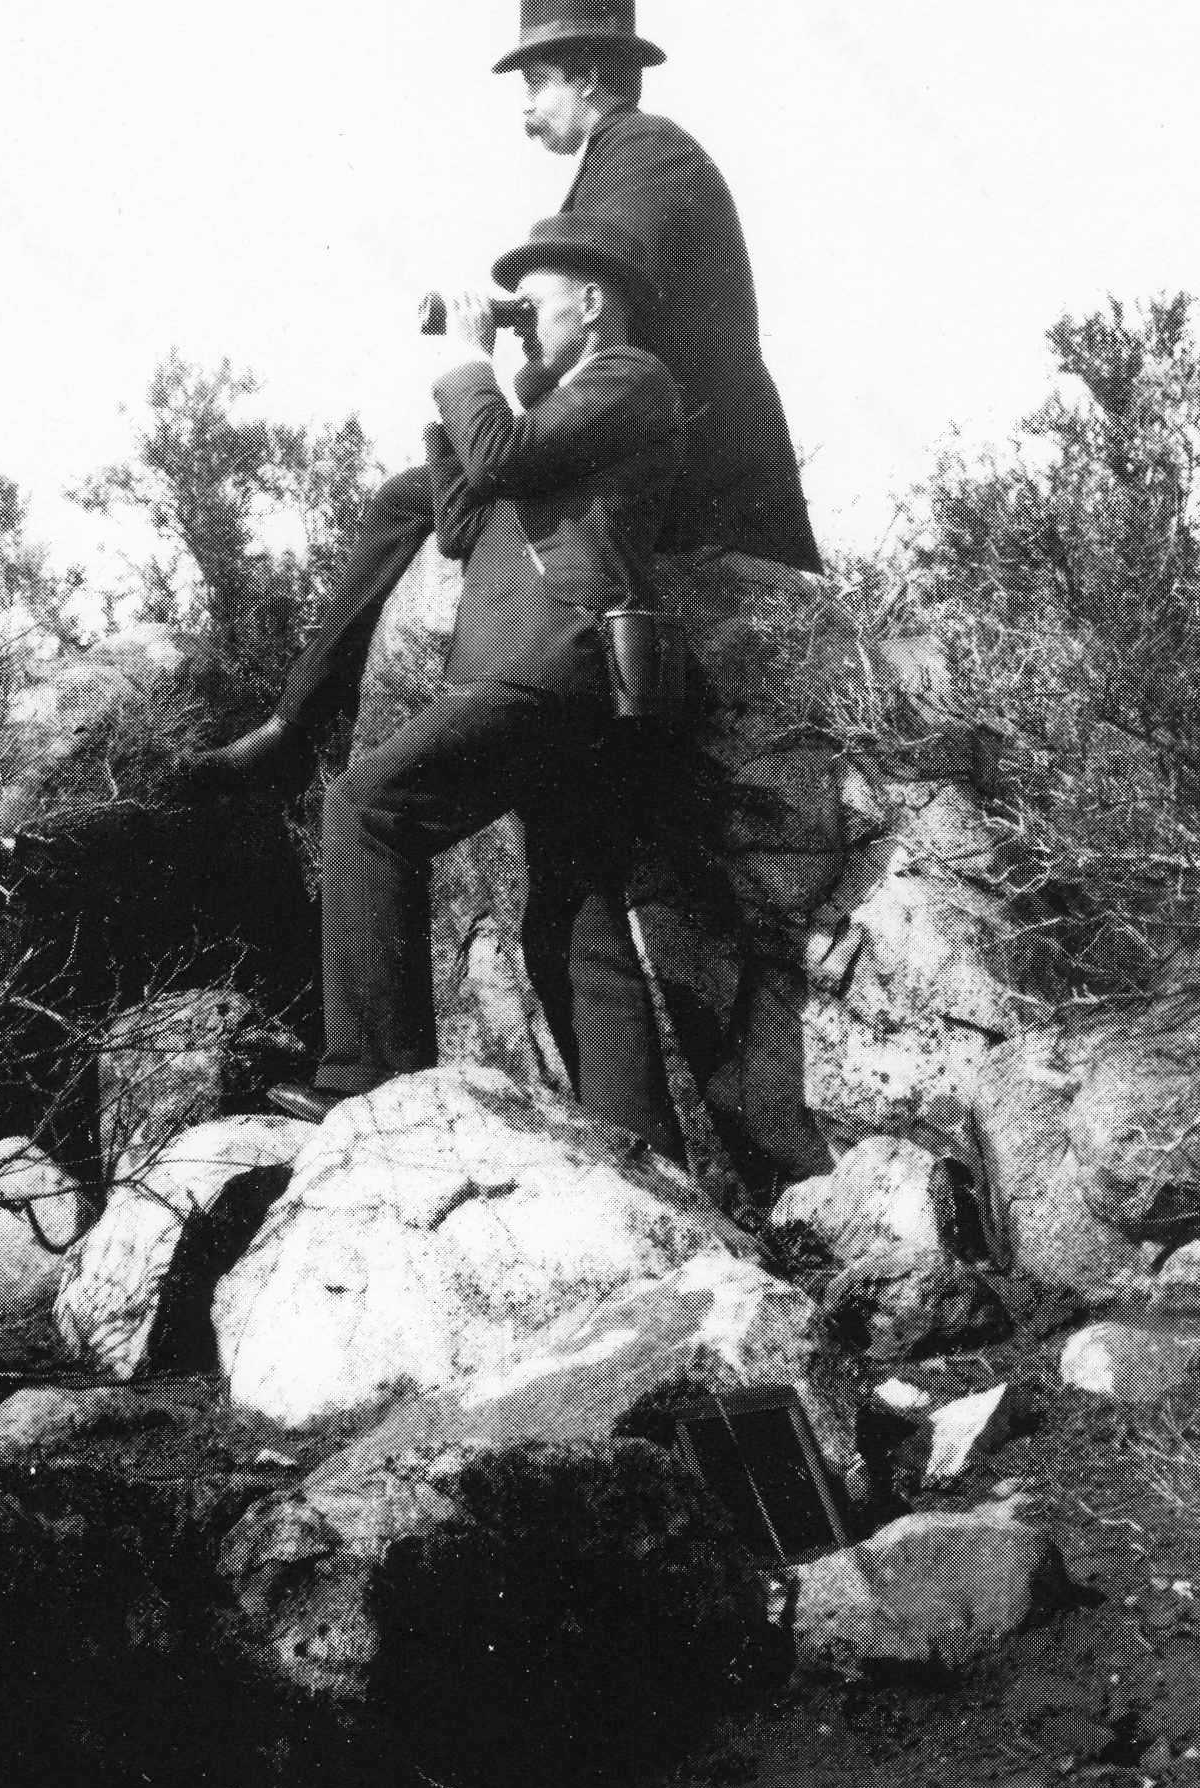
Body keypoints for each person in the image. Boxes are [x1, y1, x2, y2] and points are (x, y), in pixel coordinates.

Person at [203, 0, 817, 778]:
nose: (526, 113)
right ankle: (294, 725)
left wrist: (500, 359)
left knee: (406, 501)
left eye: (536, 86)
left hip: (698, 487)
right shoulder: (619, 162)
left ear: (591, 77)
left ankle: (291, 731)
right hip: (648, 452)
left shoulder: (647, 153)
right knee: (419, 495)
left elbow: (603, 319)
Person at [258, 214, 685, 1160]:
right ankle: (647, 1161)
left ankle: (370, 1080)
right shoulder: (553, 416)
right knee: (571, 923)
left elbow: (503, 458)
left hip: (554, 665)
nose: (520, 323)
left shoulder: (628, 379)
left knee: (369, 809)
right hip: (552, 680)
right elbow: (459, 521)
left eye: (533, 305)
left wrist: (466, 360)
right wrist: (461, 402)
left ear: (596, 300)